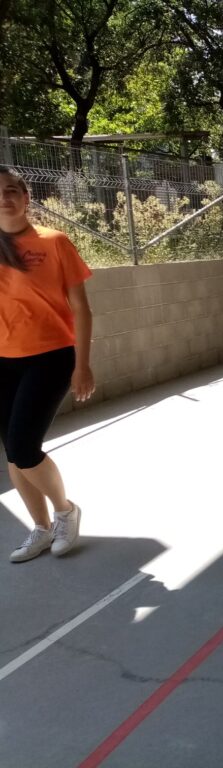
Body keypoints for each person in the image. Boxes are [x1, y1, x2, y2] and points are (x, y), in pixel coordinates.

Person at [0, 166, 94, 563]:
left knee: (25, 448)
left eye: (11, 190)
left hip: (50, 357)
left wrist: (82, 365)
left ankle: (65, 512)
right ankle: (40, 529)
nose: (4, 198)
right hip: (3, 360)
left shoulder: (54, 242)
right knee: (12, 453)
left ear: (25, 197)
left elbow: (81, 308)